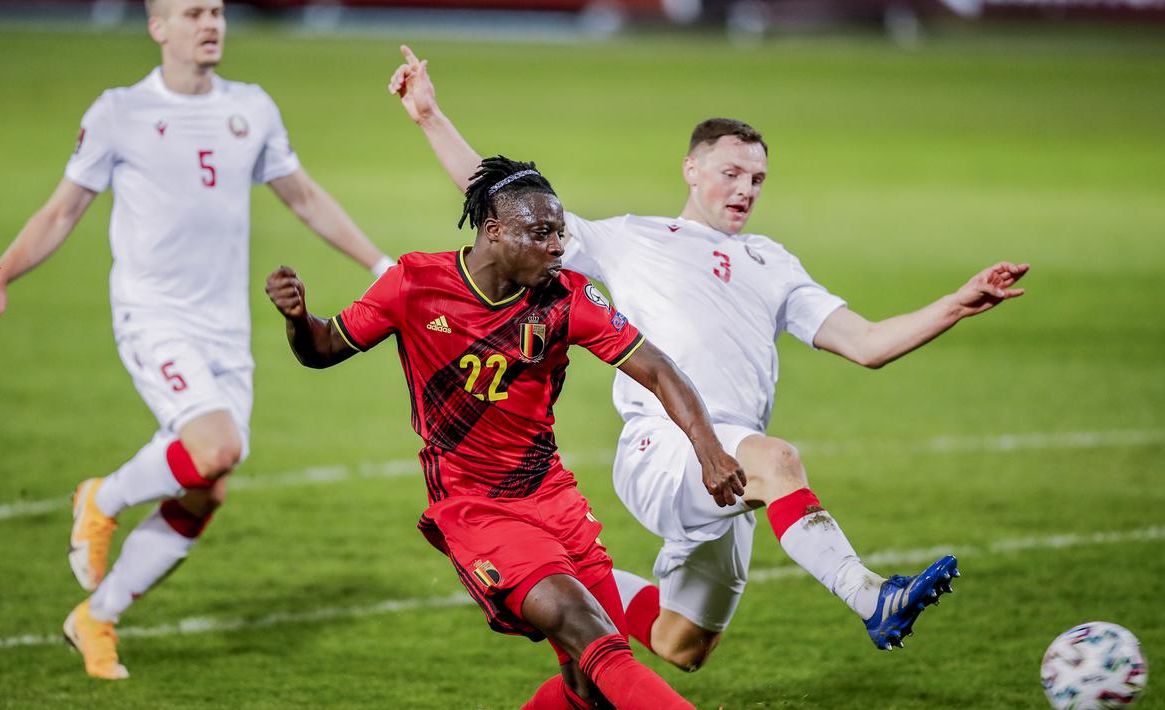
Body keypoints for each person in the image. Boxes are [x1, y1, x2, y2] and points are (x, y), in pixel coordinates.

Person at [389, 45, 1030, 671]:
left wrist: (957, 303)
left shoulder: (773, 262)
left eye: (756, 179)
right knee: (779, 460)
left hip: (732, 463)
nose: (745, 189)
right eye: (731, 173)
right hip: (670, 447)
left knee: (682, 644)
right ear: (691, 169)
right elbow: (505, 199)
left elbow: (866, 344)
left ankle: (579, 584)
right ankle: (873, 597)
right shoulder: (631, 239)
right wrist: (428, 116)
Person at [0, 0, 394, 680]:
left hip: (226, 331)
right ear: (159, 28)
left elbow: (303, 197)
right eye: (192, 13)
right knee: (217, 447)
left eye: (216, 11)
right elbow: (62, 210)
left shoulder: (251, 107)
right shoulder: (117, 112)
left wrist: (381, 268)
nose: (210, 23)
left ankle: (95, 618)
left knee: (206, 488)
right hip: (153, 313)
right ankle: (101, 498)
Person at [266, 156, 747, 708]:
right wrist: (300, 320)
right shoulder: (416, 283)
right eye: (541, 233)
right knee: (589, 632)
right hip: (476, 507)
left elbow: (659, 368)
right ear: (494, 232)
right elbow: (324, 348)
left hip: (553, 498)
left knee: (591, 689)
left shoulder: (567, 299)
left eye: (560, 233)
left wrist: (708, 449)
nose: (558, 247)